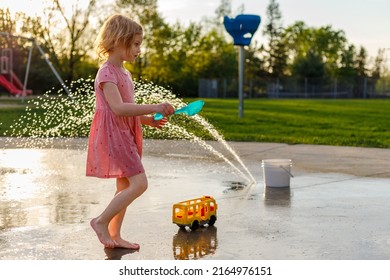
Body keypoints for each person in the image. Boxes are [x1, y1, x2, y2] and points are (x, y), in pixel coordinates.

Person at [86, 14, 174, 249]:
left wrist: (147, 119)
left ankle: (115, 235)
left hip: (125, 134)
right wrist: (155, 106)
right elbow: (117, 108)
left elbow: (127, 110)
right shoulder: (106, 73)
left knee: (124, 186)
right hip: (115, 137)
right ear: (118, 40)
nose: (138, 50)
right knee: (140, 184)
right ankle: (101, 221)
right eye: (135, 44)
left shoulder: (124, 73)